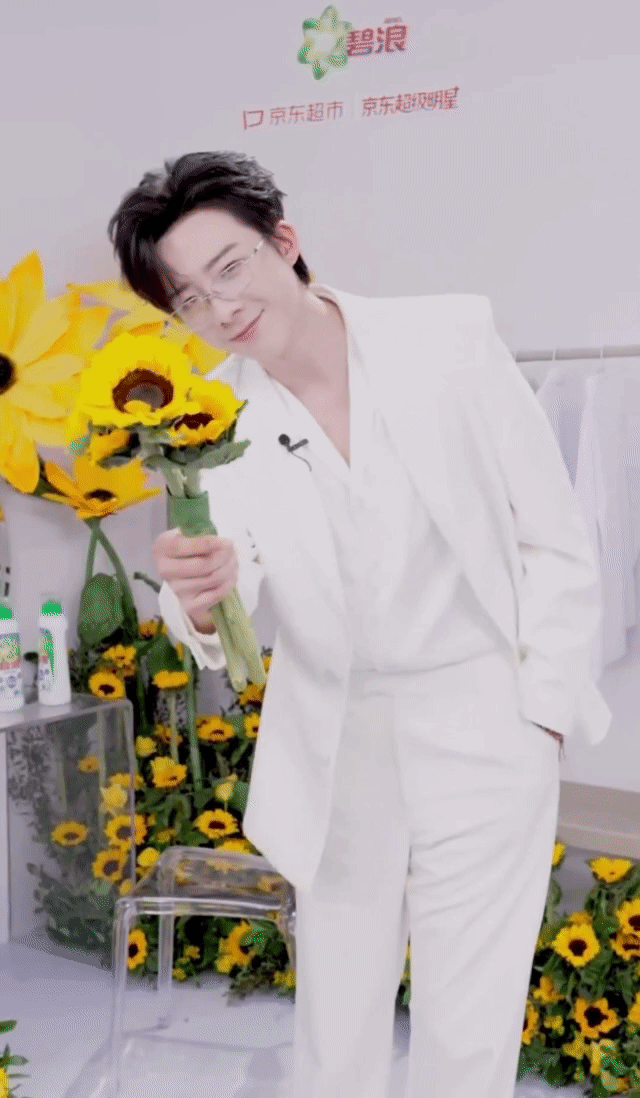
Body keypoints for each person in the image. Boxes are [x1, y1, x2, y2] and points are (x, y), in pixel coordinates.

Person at [107, 151, 611, 1098]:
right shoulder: (211, 422)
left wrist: (539, 712)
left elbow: (553, 534)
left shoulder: (448, 339)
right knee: (337, 1023)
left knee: (471, 1021)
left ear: (285, 242)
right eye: (189, 298)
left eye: (230, 267)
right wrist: (195, 597)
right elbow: (219, 601)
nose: (221, 308)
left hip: (483, 718)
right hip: (334, 739)